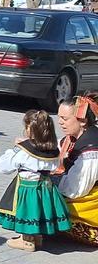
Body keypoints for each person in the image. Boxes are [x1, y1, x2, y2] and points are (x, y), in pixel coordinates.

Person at [0, 110, 71, 251]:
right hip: (46, 187)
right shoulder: (54, 150)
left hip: (28, 187)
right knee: (41, 209)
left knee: (28, 209)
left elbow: (4, 168)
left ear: (29, 129)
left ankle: (27, 240)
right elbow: (55, 166)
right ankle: (38, 237)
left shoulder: (24, 151)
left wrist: (15, 149)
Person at [56, 94, 98, 246]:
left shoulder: (91, 150)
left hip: (91, 201)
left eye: (65, 119)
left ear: (82, 121)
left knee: (48, 207)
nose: (60, 122)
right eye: (59, 117)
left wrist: (52, 184)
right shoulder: (71, 139)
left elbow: (76, 189)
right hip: (84, 193)